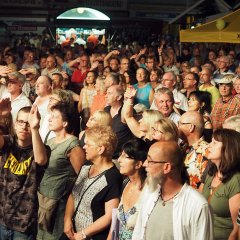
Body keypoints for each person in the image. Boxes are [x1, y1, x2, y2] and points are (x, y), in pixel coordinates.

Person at [132, 141, 213, 240]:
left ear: (166, 167)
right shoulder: (149, 194)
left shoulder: (197, 205)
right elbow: (138, 233)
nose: (145, 164)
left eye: (150, 161)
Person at [0, 100, 49, 239]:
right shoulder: (8, 142)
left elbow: (40, 160)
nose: (24, 127)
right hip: (2, 219)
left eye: (28, 123)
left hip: (24, 224)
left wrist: (35, 128)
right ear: (15, 124)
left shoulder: (42, 148)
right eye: (20, 122)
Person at [63, 126, 122, 240]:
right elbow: (73, 195)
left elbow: (109, 216)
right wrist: (67, 220)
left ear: (100, 149)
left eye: (88, 144)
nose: (84, 147)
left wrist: (84, 233)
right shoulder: (85, 167)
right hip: (73, 233)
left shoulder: (113, 177)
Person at [37, 103, 85, 240]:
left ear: (65, 122)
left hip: (58, 207)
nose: (49, 119)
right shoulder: (50, 141)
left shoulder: (72, 145)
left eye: (55, 117)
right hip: (43, 201)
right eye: (50, 116)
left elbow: (81, 179)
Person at [201, 129, 240, 240]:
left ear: (228, 148)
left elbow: (237, 229)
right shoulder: (211, 174)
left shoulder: (236, 180)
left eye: (215, 143)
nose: (209, 145)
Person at [108, 138, 149, 240]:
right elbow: (116, 224)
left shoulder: (149, 192)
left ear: (138, 164)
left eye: (125, 156)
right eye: (120, 155)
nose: (119, 160)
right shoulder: (125, 183)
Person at [178, 111, 209, 189]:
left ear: (191, 127)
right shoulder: (181, 146)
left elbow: (205, 184)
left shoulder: (206, 151)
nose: (177, 126)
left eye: (180, 123)